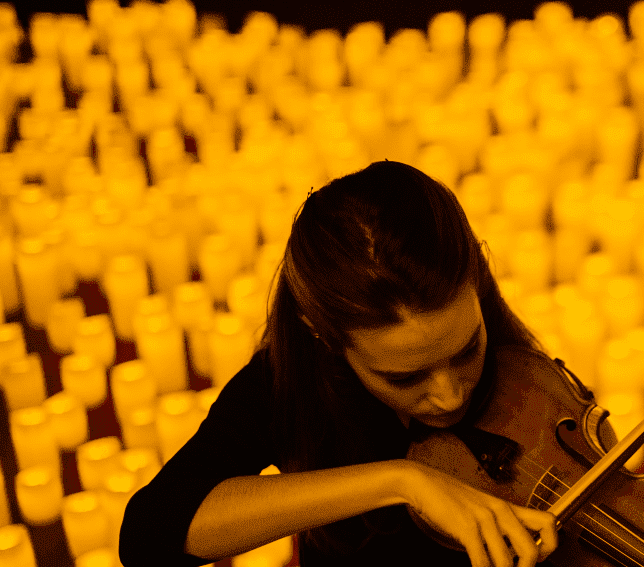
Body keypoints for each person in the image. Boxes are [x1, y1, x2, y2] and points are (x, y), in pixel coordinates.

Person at [120, 160, 560, 567]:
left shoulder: (525, 376)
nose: (450, 394)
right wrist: (400, 480)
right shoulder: (288, 382)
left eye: (467, 349)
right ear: (323, 336)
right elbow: (150, 537)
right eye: (404, 377)